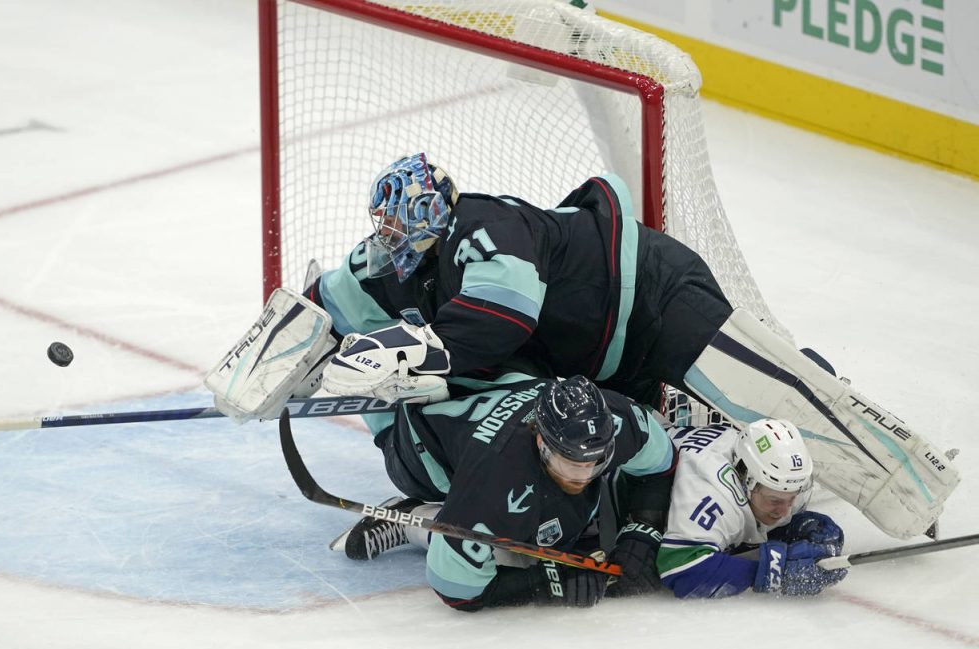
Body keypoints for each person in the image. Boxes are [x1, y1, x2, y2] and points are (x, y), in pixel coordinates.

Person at [205, 152, 958, 540]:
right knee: (641, 448)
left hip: (654, 299)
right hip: (606, 361)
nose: (390, 238)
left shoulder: (484, 225)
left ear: (437, 216)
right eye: (386, 225)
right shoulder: (395, 261)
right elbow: (322, 303)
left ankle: (912, 488)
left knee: (777, 395)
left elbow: (501, 321)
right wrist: (269, 366)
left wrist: (405, 353)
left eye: (405, 225)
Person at [329, 374, 677, 612]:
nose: (582, 477)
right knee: (513, 550)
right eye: (570, 464)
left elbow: (660, 466)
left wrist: (641, 535)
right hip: (421, 455)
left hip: (484, 389)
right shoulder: (494, 479)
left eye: (595, 463)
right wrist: (546, 582)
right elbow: (456, 590)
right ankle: (411, 518)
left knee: (553, 531)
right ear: (540, 440)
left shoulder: (621, 420)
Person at [656, 418, 848, 598]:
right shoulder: (713, 494)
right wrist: (769, 571)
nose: (785, 512)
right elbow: (681, 568)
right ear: (745, 480)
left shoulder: (747, 454)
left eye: (792, 498)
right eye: (775, 501)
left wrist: (796, 528)